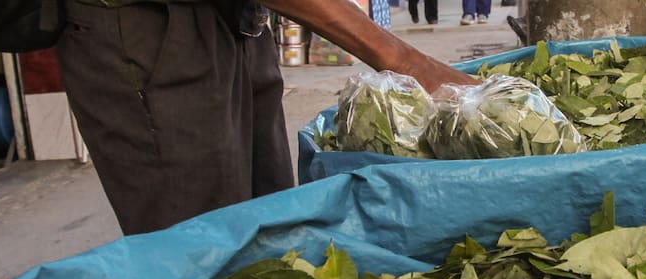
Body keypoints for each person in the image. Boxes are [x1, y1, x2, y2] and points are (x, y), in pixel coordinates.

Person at [56, 0, 475, 236]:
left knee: (268, 227)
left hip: (236, 19)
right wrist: (404, 61)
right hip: (148, 27)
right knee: (202, 252)